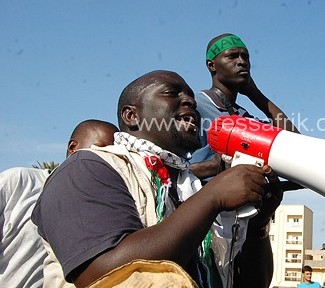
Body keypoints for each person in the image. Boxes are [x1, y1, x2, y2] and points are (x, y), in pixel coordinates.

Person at [31, 70, 283, 288]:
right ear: (132, 116)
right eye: (172, 93)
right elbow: (103, 274)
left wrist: (258, 227)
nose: (189, 102)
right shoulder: (88, 168)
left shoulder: (189, 188)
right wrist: (213, 197)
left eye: (192, 99)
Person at [0, 119, 118, 288]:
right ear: (72, 148)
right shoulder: (19, 182)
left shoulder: (110, 210)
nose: (110, 161)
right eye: (102, 150)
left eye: (116, 155)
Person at [189, 33, 298, 180]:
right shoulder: (194, 105)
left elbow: (293, 145)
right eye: (232, 56)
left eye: (245, 57)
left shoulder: (244, 117)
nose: (242, 62)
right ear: (212, 65)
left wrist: (256, 95)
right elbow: (168, 166)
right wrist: (213, 167)